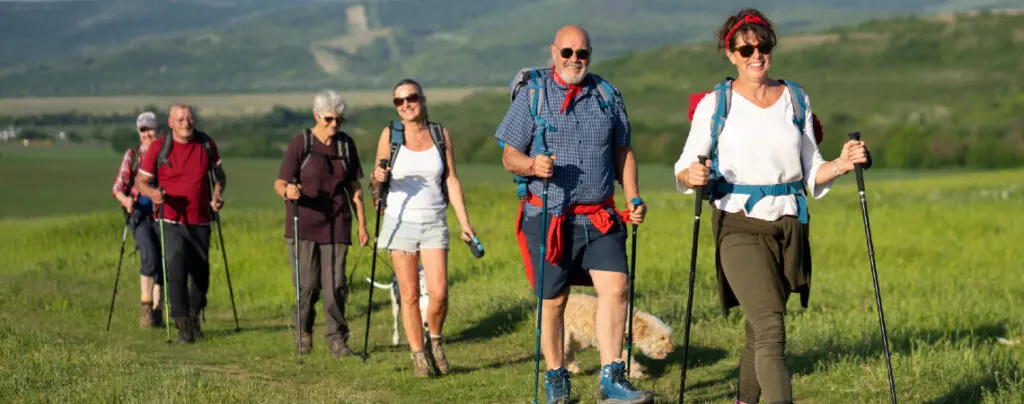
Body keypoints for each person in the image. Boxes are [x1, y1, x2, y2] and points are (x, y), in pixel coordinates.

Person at [673, 8, 869, 404]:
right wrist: (692, 176)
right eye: (746, 50)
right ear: (731, 54)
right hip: (738, 225)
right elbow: (684, 166)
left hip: (789, 226)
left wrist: (844, 163)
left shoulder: (795, 98)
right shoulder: (717, 103)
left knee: (756, 330)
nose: (756, 55)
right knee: (770, 328)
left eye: (764, 46)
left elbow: (812, 170)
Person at [494, 25, 651, 404]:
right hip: (548, 217)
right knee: (554, 302)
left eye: (582, 53)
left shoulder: (607, 95)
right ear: (553, 53)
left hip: (600, 216)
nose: (575, 60)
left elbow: (623, 151)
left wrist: (633, 197)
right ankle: (557, 380)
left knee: (616, 289)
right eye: (567, 52)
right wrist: (532, 166)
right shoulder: (533, 94)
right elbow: (508, 155)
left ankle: (612, 377)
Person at [371, 78, 477, 377]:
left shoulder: (439, 134)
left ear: (422, 99)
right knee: (409, 295)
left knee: (440, 292)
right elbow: (376, 179)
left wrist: (465, 222)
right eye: (399, 101)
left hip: (434, 222)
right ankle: (419, 355)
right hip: (399, 222)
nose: (405, 104)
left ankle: (436, 341)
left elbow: (451, 180)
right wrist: (378, 175)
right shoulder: (390, 135)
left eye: (411, 98)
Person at [273, 89, 369, 358]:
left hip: (337, 222)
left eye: (339, 119)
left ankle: (337, 339)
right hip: (303, 223)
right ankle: (302, 329)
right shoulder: (301, 143)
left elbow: (355, 188)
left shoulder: (346, 145)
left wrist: (362, 225)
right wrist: (287, 192)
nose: (334, 124)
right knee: (308, 284)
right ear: (316, 116)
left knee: (336, 284)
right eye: (329, 119)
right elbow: (280, 182)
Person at [135, 103, 226, 344]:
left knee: (201, 275)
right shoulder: (159, 148)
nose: (186, 123)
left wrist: (216, 196)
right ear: (171, 123)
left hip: (201, 219)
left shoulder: (206, 144)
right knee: (175, 269)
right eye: (181, 119)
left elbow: (220, 177)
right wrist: (153, 195)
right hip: (170, 218)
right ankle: (182, 325)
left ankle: (194, 316)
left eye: (189, 118)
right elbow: (141, 183)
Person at [111, 111, 164, 329]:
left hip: (162, 214)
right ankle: (145, 307)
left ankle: (158, 311)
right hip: (140, 214)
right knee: (150, 259)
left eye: (150, 129)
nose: (147, 134)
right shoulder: (133, 155)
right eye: (143, 130)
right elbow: (117, 188)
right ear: (138, 132)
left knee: (164, 263)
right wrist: (126, 200)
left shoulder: (164, 155)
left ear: (157, 130)